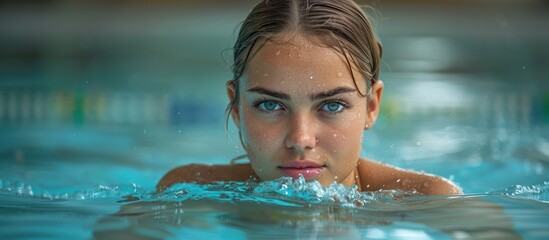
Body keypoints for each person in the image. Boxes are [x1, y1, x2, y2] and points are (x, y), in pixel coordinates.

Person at [157, 0, 462, 195]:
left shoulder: (428, 201)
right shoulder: (188, 192)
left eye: (332, 105)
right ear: (236, 107)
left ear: (371, 107)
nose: (300, 139)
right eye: (270, 104)